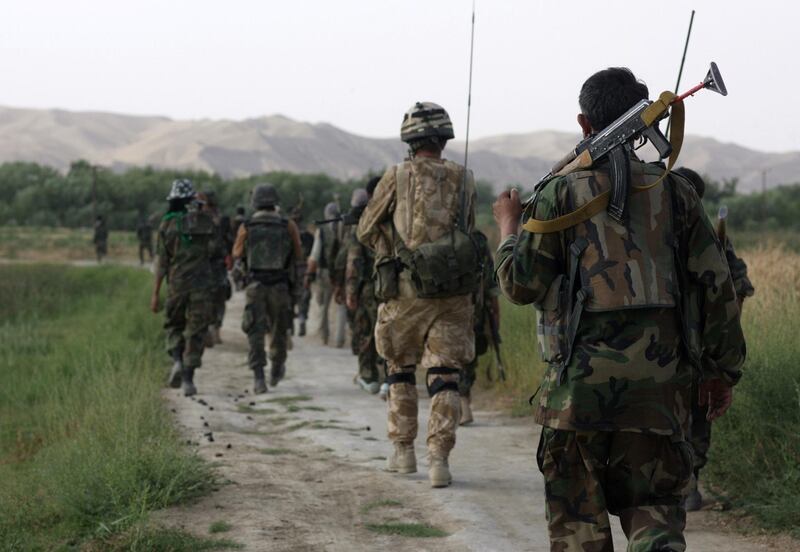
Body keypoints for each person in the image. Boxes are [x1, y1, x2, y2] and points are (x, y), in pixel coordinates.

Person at [492, 68, 746, 550]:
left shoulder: (557, 194)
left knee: (580, 527)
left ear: (585, 124)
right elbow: (717, 289)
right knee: (654, 514)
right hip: (661, 396)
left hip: (576, 400)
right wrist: (721, 373)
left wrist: (508, 226)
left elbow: (520, 286)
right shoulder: (676, 190)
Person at [357, 101, 477, 488]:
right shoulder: (465, 177)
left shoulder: (396, 175)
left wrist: (390, 249)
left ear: (409, 140)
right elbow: (469, 230)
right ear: (444, 138)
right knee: (446, 375)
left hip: (406, 293)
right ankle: (439, 460)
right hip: (454, 294)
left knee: (400, 369)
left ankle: (403, 452)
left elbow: (365, 227)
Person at [674, 166, 755, 511]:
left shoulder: (653, 233)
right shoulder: (707, 235)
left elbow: (737, 290)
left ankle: (685, 483)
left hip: (670, 343)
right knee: (694, 414)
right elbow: (737, 294)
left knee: (689, 413)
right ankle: (686, 482)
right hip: (698, 342)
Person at [150, 179, 219, 397]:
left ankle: (178, 361)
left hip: (177, 284)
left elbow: (162, 263)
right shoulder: (206, 222)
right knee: (196, 330)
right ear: (192, 200)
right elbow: (216, 250)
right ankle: (189, 379)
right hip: (202, 284)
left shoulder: (166, 224)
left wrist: (155, 294)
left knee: (174, 325)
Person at [232, 184, 303, 393]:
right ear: (275, 201)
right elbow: (299, 256)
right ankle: (277, 367)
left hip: (256, 286)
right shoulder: (287, 225)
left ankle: (259, 378)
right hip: (280, 286)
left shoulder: (247, 226)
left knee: (255, 331)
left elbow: (237, 255)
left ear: (255, 202)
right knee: (279, 331)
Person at [345, 182, 383, 394]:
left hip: (370, 287)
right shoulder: (398, 218)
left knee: (366, 330)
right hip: (396, 287)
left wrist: (351, 292)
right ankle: (391, 377)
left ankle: (368, 376)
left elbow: (354, 262)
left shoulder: (364, 224)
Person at [459, 229, 500, 425]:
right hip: (473, 309)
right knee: (468, 358)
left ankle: (452, 404)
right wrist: (495, 319)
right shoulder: (477, 239)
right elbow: (491, 282)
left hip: (439, 309)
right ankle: (463, 401)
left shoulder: (431, 233)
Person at [305, 202, 343, 345]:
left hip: (325, 272)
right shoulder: (346, 227)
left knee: (324, 306)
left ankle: (324, 337)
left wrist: (309, 274)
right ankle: (340, 339)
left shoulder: (321, 231)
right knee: (341, 306)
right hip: (342, 272)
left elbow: (315, 255)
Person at [198, 190, 232, 346]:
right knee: (218, 298)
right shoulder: (222, 219)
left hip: (207, 264)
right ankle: (214, 330)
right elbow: (229, 241)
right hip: (215, 264)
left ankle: (210, 330)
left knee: (208, 297)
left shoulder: (198, 218)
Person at [291, 208, 315, 337]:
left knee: (291, 297)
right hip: (304, 270)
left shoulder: (288, 233)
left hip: (293, 271)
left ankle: (291, 325)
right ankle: (301, 321)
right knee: (304, 298)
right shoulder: (308, 236)